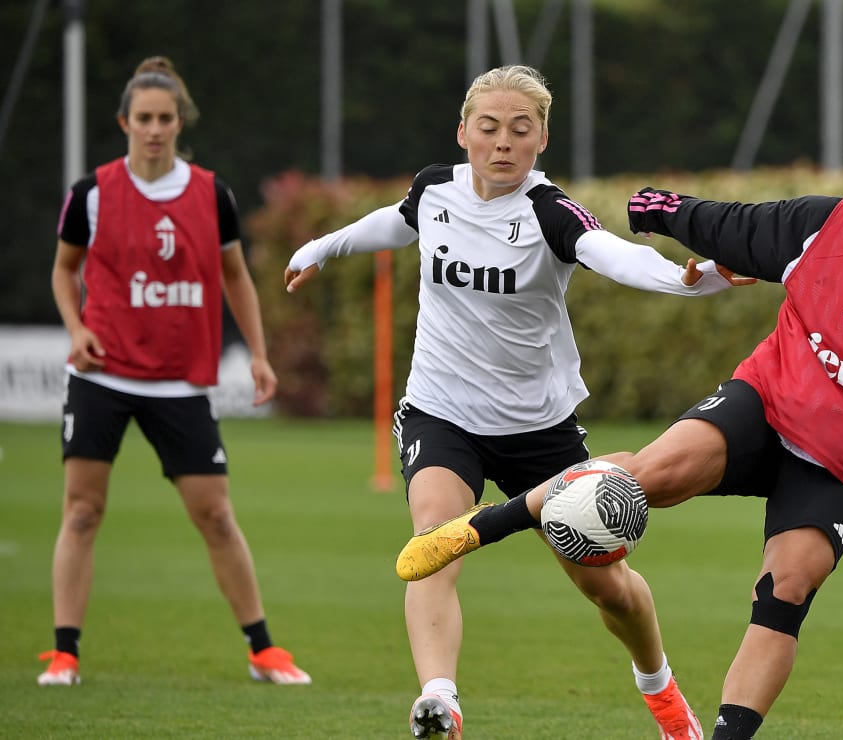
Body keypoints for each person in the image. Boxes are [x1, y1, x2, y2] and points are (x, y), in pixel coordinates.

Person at [395, 82, 843, 739]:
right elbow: (735, 226)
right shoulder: (824, 223)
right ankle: (478, 530)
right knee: (640, 478)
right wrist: (660, 210)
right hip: (766, 403)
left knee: (784, 592)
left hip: (839, 463)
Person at [285, 64, 750, 739]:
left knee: (608, 588)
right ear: (464, 132)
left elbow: (614, 255)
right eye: (490, 127)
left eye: (520, 130)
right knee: (435, 539)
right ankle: (439, 701)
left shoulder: (548, 211)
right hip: (441, 410)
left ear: (542, 140)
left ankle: (660, 688)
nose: (503, 142)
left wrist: (692, 281)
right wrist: (321, 248)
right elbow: (395, 222)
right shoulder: (434, 189)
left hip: (540, 431)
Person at [41, 57, 310, 688]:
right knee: (81, 511)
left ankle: (262, 649)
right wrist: (77, 330)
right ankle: (64, 653)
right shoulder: (93, 194)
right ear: (124, 123)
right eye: (144, 119)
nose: (155, 129)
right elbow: (63, 269)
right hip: (102, 376)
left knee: (215, 516)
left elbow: (235, 276)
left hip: (181, 381)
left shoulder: (210, 193)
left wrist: (260, 353)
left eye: (166, 118)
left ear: (179, 121)